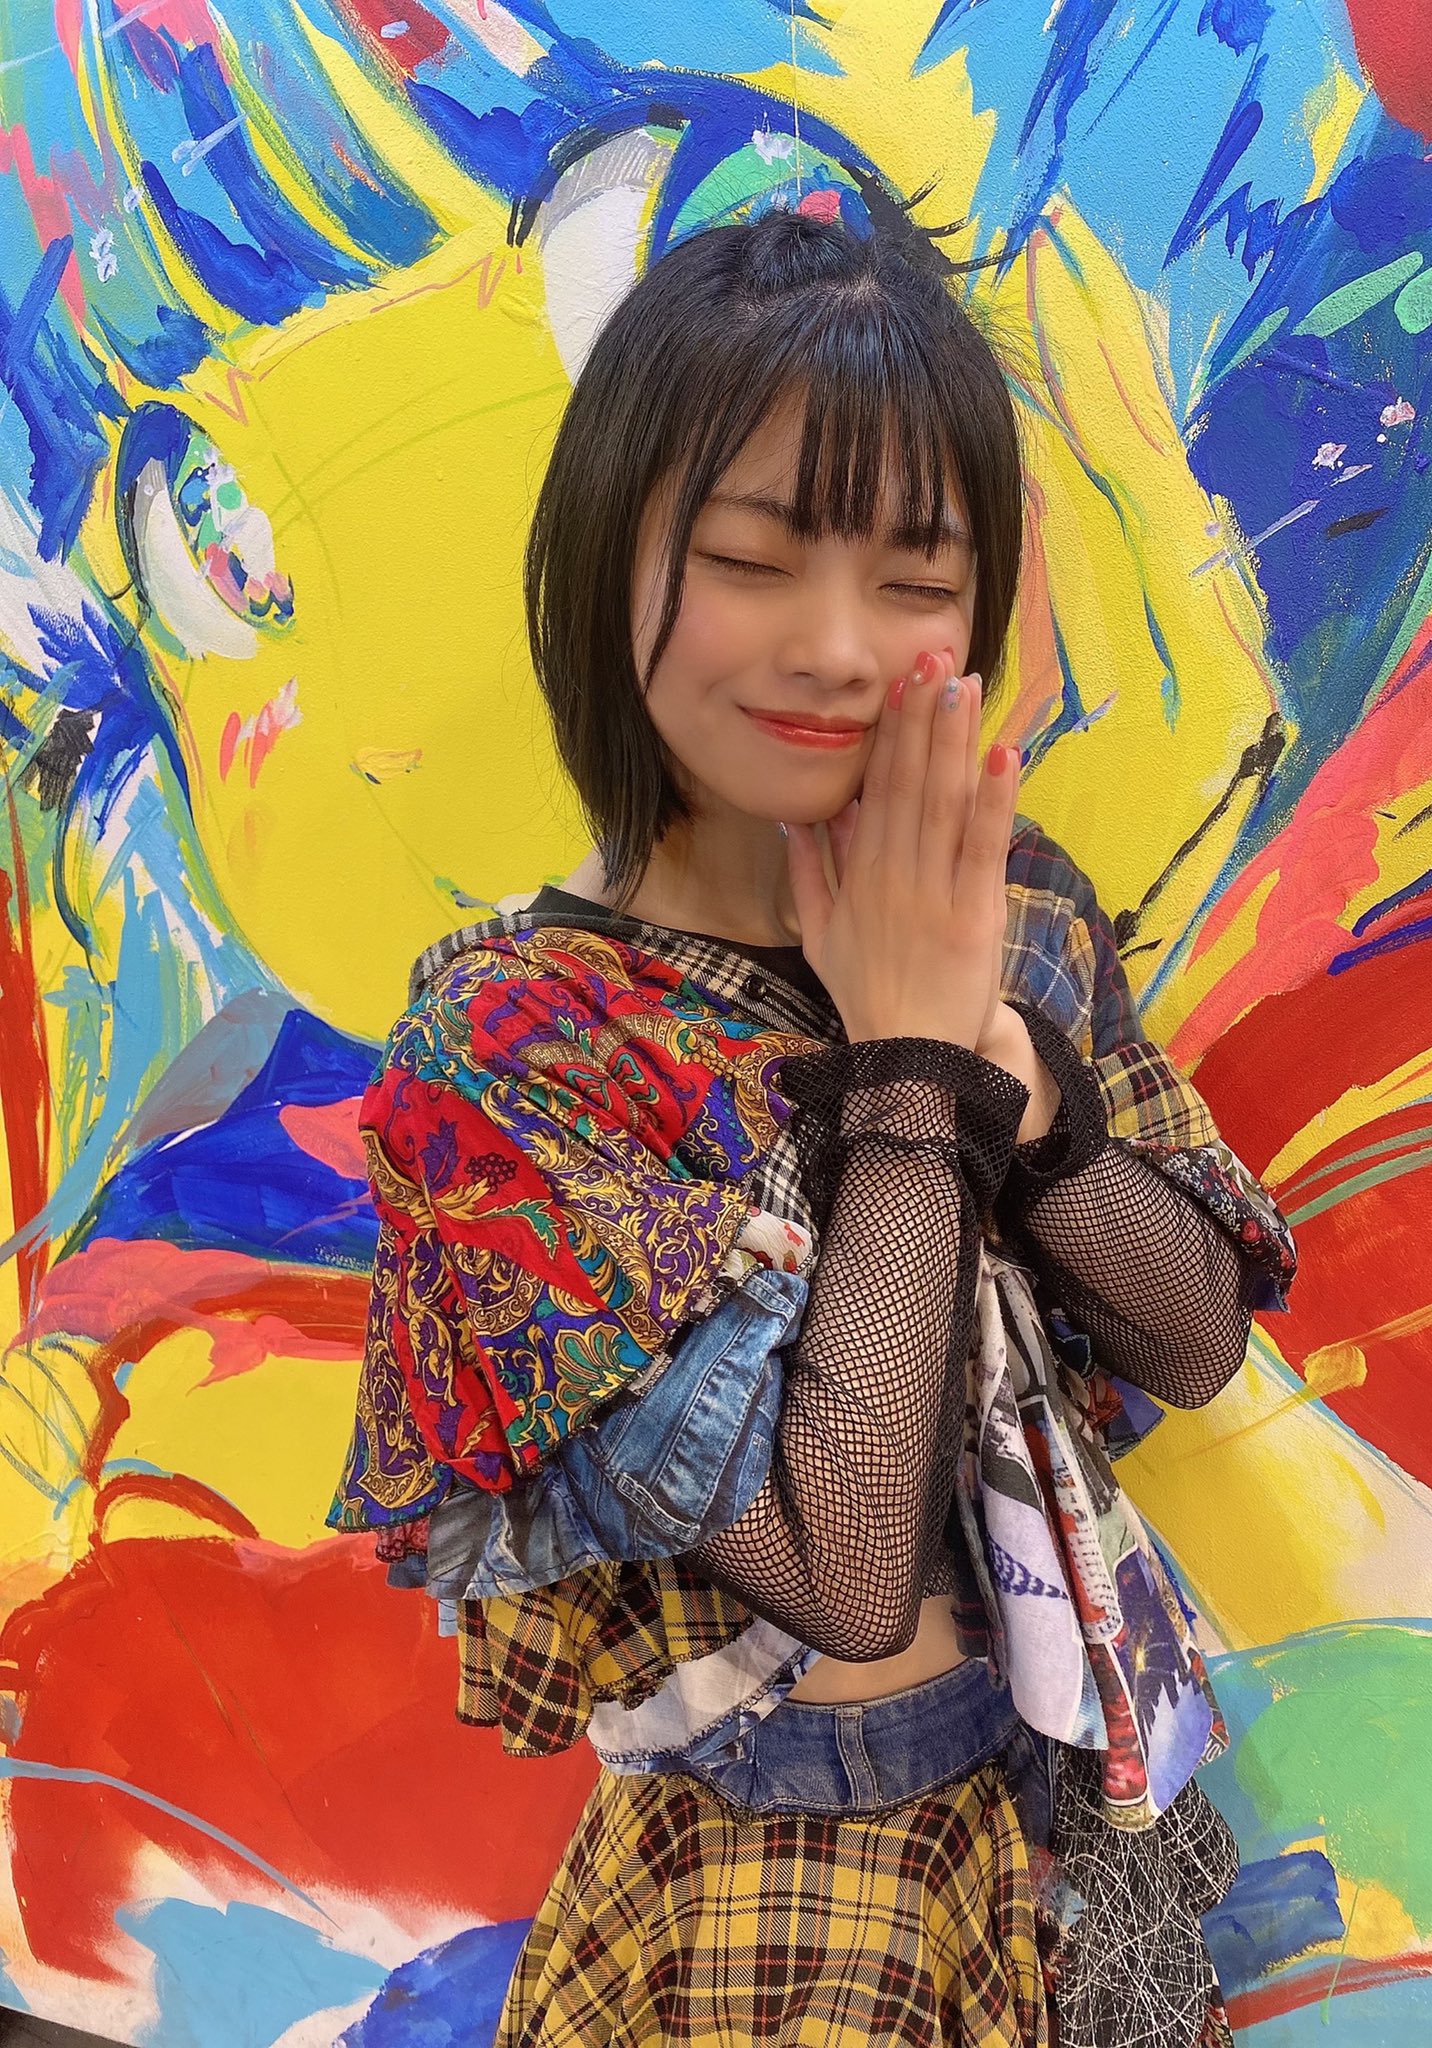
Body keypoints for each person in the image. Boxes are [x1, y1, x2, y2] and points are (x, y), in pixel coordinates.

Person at [328, 204, 1297, 2048]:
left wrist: (1006, 1059)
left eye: (916, 579)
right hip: (759, 1918)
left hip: (1048, 1851)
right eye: (753, 560)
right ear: (608, 561)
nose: (838, 648)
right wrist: (913, 1072)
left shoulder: (1012, 904)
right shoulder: (515, 1046)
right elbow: (843, 1567)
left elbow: (1194, 1333)